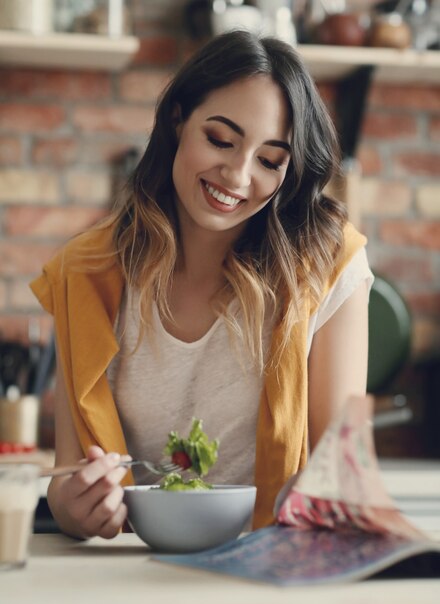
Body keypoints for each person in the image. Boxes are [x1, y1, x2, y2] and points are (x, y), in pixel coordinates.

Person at [31, 29, 372, 540]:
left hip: (270, 568)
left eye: (269, 160)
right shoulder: (84, 274)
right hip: (132, 573)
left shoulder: (327, 266)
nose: (237, 176)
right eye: (220, 139)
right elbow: (67, 477)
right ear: (178, 120)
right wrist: (74, 507)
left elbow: (343, 475)